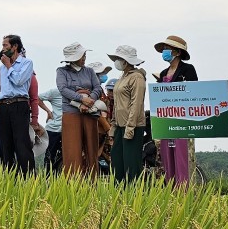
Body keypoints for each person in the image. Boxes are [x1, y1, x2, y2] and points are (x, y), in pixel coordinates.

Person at [153, 36, 199, 187]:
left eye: (168, 49)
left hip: (182, 121)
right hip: (166, 121)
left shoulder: (188, 70)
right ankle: (171, 192)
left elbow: (194, 93)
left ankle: (183, 192)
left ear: (177, 52)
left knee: (181, 157)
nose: (165, 52)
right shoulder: (163, 72)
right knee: (167, 157)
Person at [56, 43, 101, 177]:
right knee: (72, 150)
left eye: (85, 55)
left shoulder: (89, 71)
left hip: (90, 113)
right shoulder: (62, 71)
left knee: (91, 148)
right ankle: (73, 184)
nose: (84, 58)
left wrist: (90, 99)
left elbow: (98, 88)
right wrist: (81, 99)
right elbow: (62, 89)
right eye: (82, 56)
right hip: (71, 112)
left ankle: (92, 182)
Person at [0, 34, 37, 173]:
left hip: (19, 105)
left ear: (15, 46)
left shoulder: (27, 63)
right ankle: (10, 178)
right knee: (5, 144)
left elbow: (19, 81)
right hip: (4, 106)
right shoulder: (1, 68)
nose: (2, 48)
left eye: (5, 45)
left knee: (21, 143)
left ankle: (29, 178)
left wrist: (8, 66)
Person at [108, 45, 148, 181]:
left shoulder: (137, 77)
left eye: (119, 58)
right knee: (117, 161)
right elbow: (117, 104)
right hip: (120, 125)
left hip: (133, 126)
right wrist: (113, 126)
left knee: (131, 164)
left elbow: (136, 104)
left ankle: (134, 194)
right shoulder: (122, 77)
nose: (117, 61)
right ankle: (119, 193)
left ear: (126, 61)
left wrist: (130, 127)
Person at [38, 86, 63, 171]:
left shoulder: (75, 93)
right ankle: (48, 179)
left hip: (69, 129)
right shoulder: (55, 92)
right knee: (50, 155)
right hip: (53, 129)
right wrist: (48, 111)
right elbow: (37, 98)